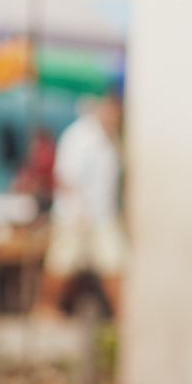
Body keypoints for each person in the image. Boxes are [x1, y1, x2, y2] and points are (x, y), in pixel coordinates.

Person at [36, 95, 125, 319]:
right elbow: (65, 177)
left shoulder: (108, 138)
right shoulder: (80, 137)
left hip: (101, 215)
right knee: (61, 263)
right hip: (76, 215)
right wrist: (79, 210)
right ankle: (45, 310)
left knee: (114, 262)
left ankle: (123, 316)